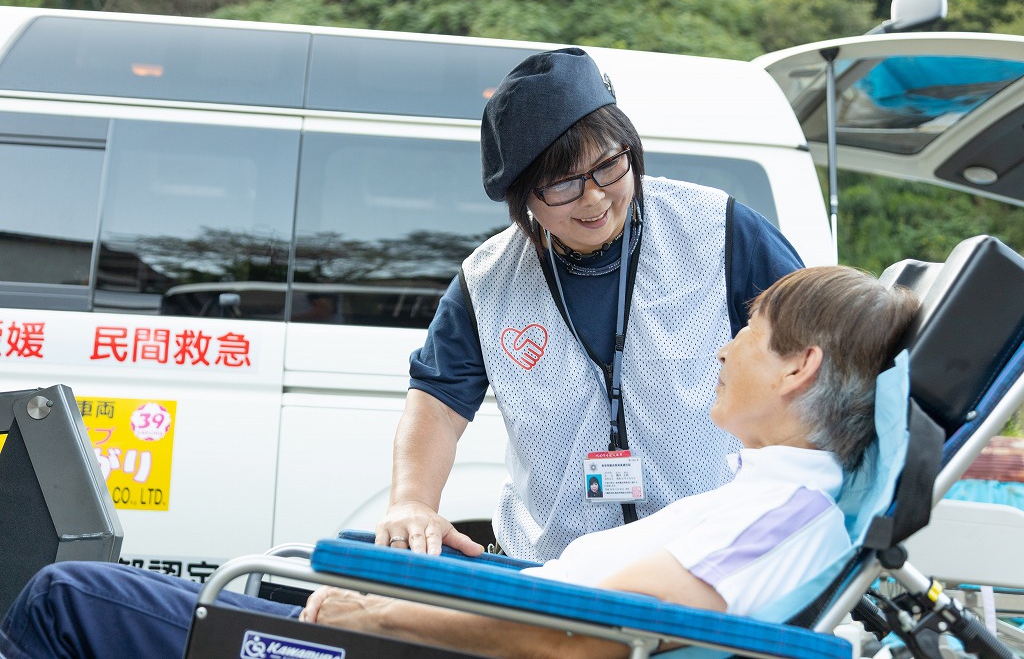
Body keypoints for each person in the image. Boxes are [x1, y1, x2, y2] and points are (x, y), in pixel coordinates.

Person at [1, 266, 920, 659]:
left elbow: (577, 637)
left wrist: (386, 611)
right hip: (452, 637)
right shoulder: (776, 503)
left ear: (800, 367)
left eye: (747, 332)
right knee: (288, 571)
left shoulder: (771, 519)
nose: (723, 350)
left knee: (70, 598)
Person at [377, 47, 805, 563]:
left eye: (608, 166)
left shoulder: (721, 231)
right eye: (563, 183)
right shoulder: (486, 281)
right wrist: (412, 501)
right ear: (523, 197)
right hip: (556, 570)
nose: (595, 198)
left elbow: (811, 358)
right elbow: (438, 405)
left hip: (705, 561)